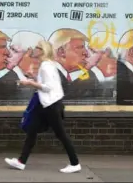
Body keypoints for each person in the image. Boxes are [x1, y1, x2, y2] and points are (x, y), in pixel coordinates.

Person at [4, 40, 81, 174]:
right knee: (32, 131)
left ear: (42, 51)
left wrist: (28, 83)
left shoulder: (46, 66)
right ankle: (21, 162)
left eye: (37, 47)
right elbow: (47, 83)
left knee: (61, 134)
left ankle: (75, 163)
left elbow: (48, 87)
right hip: (45, 103)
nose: (34, 49)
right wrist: (34, 77)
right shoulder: (48, 65)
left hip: (51, 104)